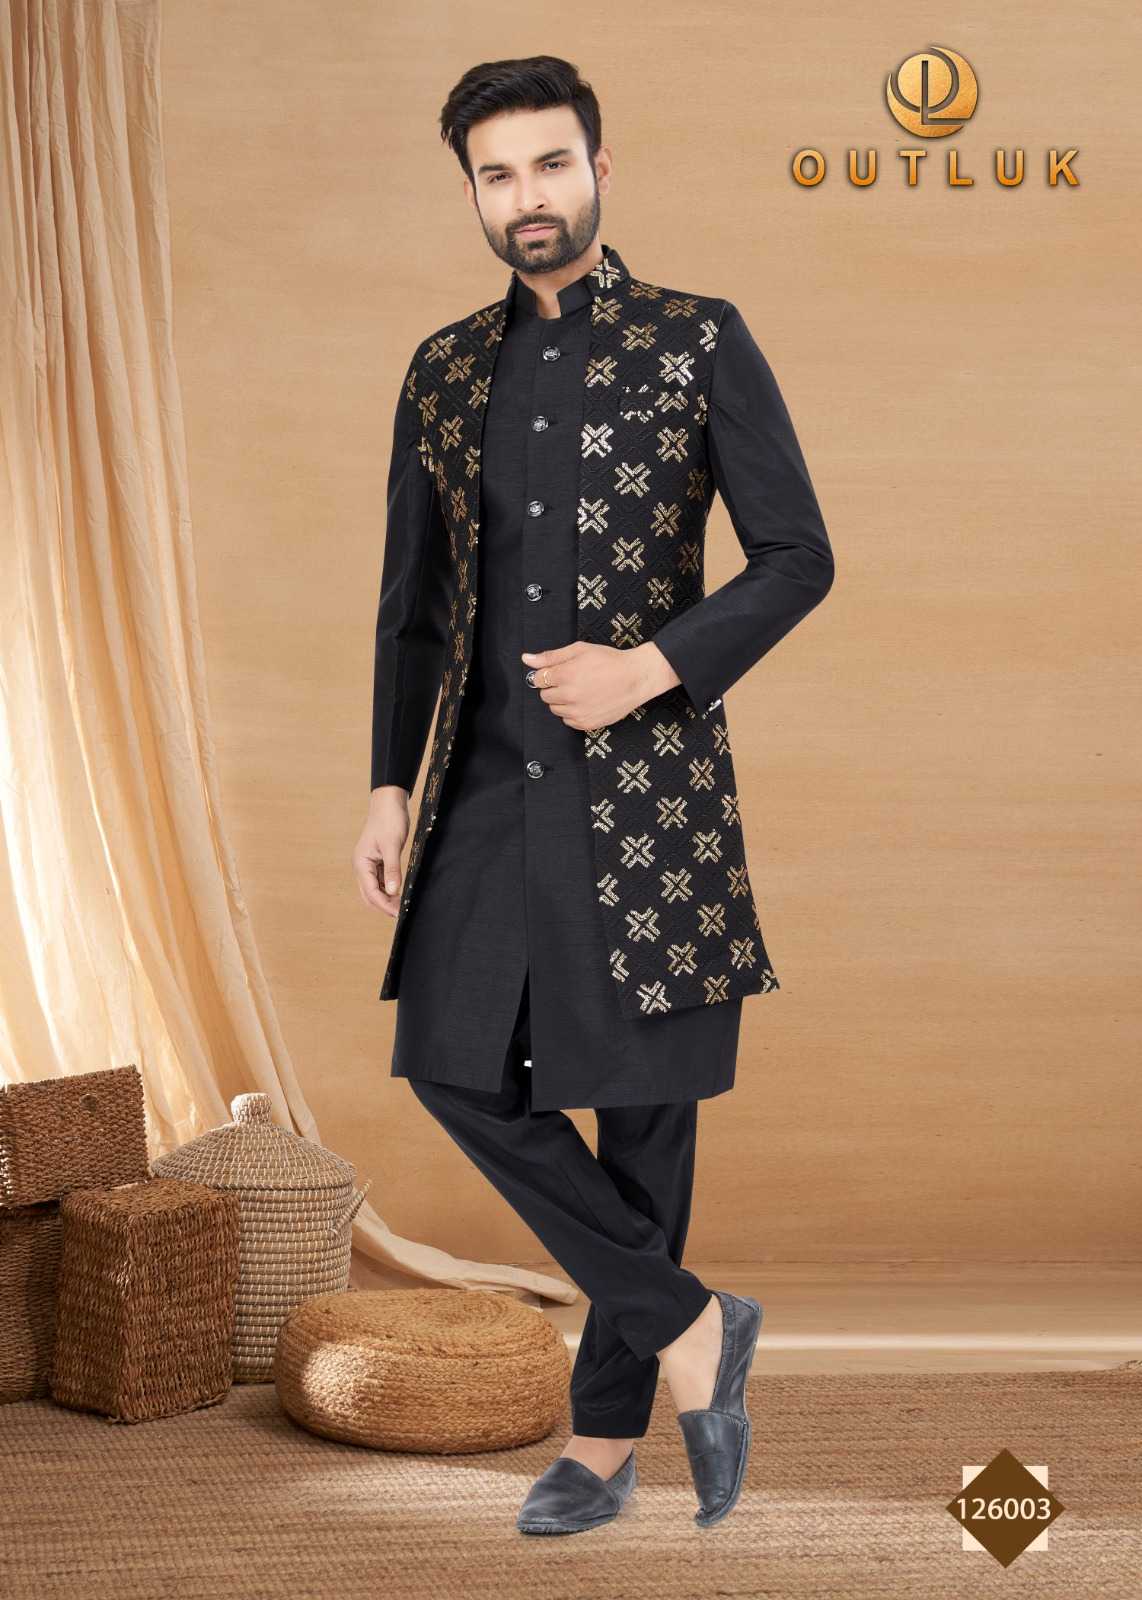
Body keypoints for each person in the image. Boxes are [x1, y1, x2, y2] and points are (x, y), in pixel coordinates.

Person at [352, 55, 834, 1533]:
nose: (529, 198)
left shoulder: (697, 340)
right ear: (473, 193)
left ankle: (605, 1446)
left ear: (599, 168)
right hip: (482, 791)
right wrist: (387, 784)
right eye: (497, 175)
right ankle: (691, 1323)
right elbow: (413, 611)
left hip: (647, 793)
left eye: (550, 164)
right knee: (452, 1066)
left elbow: (797, 556)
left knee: (644, 1117)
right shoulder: (442, 371)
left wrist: (651, 668)